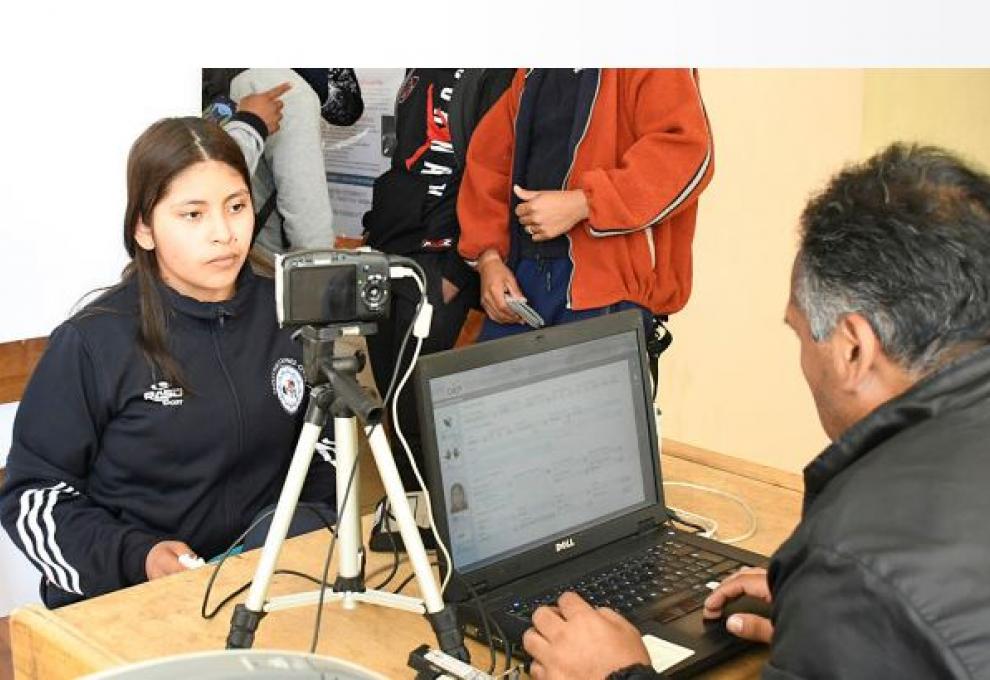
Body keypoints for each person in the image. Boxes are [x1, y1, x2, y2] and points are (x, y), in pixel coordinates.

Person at [522, 144, 990, 679]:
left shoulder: (858, 564)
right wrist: (824, 631)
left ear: (853, 349)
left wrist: (616, 675)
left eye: (798, 332)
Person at [0, 117, 336, 608]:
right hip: (124, 602)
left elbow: (325, 454)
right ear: (144, 227)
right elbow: (33, 498)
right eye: (193, 215)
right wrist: (139, 558)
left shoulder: (289, 315)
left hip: (264, 590)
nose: (224, 233)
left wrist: (303, 529)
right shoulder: (93, 341)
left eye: (237, 207)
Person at [361, 68, 513, 551]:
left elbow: (489, 171)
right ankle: (407, 515)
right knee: (390, 392)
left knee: (419, 396)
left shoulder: (500, 67)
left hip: (443, 254)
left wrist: (455, 268)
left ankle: (438, 526)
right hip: (392, 244)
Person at [456, 68, 713, 345]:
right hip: (522, 287)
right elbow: (488, 163)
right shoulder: (532, 70)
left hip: (610, 286)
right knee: (496, 386)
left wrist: (584, 204)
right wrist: (489, 260)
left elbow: (686, 152)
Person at [226, 68, 364, 254]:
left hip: (227, 248)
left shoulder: (228, 78)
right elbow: (304, 209)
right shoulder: (283, 87)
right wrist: (321, 265)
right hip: (263, 262)